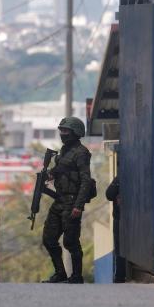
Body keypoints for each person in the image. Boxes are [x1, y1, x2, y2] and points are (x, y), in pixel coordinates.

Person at [42, 116, 92, 284]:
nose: (62, 133)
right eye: (61, 130)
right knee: (49, 239)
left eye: (66, 131)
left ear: (75, 132)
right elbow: (60, 170)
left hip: (72, 203)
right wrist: (49, 174)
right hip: (60, 201)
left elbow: (86, 180)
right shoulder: (64, 151)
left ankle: (77, 276)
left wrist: (78, 206)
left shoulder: (81, 153)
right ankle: (60, 273)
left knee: (70, 241)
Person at [106, 175, 126, 283]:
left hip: (125, 218)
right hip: (122, 218)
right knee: (120, 248)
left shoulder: (121, 177)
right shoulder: (120, 178)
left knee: (120, 247)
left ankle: (120, 276)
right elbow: (109, 195)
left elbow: (109, 194)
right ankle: (120, 275)